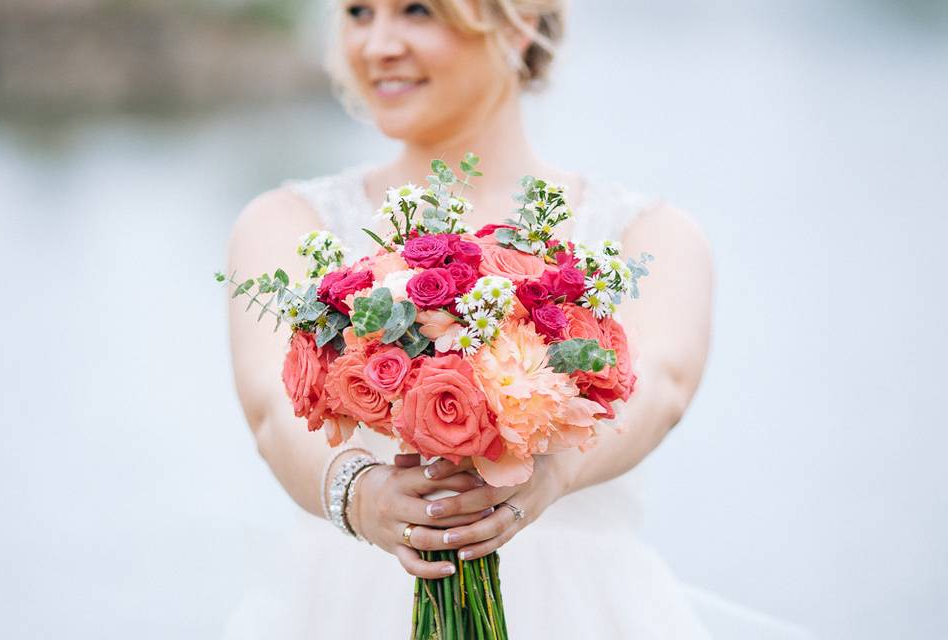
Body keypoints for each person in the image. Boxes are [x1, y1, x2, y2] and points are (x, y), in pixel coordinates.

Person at [224, 0, 715, 637]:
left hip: (582, 610)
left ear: (520, 22)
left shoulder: (650, 234)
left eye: (418, 11)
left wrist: (553, 474)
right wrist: (363, 495)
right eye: (357, 12)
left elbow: (662, 387)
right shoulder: (284, 222)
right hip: (347, 606)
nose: (378, 45)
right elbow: (271, 408)